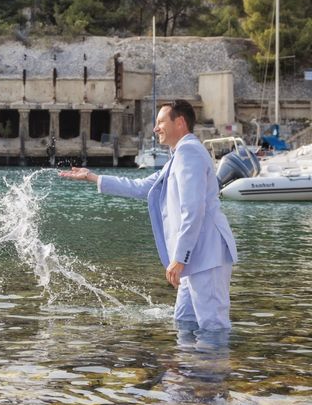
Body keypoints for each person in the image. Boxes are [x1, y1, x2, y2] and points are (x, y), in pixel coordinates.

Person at [60, 100, 236, 331]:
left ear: (180, 123)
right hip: (196, 259)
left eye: (161, 122)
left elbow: (193, 210)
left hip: (206, 257)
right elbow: (142, 187)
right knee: (184, 322)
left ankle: (213, 365)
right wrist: (93, 177)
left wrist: (179, 259)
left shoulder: (189, 152)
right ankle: (187, 367)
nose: (155, 128)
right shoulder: (178, 155)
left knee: (213, 326)